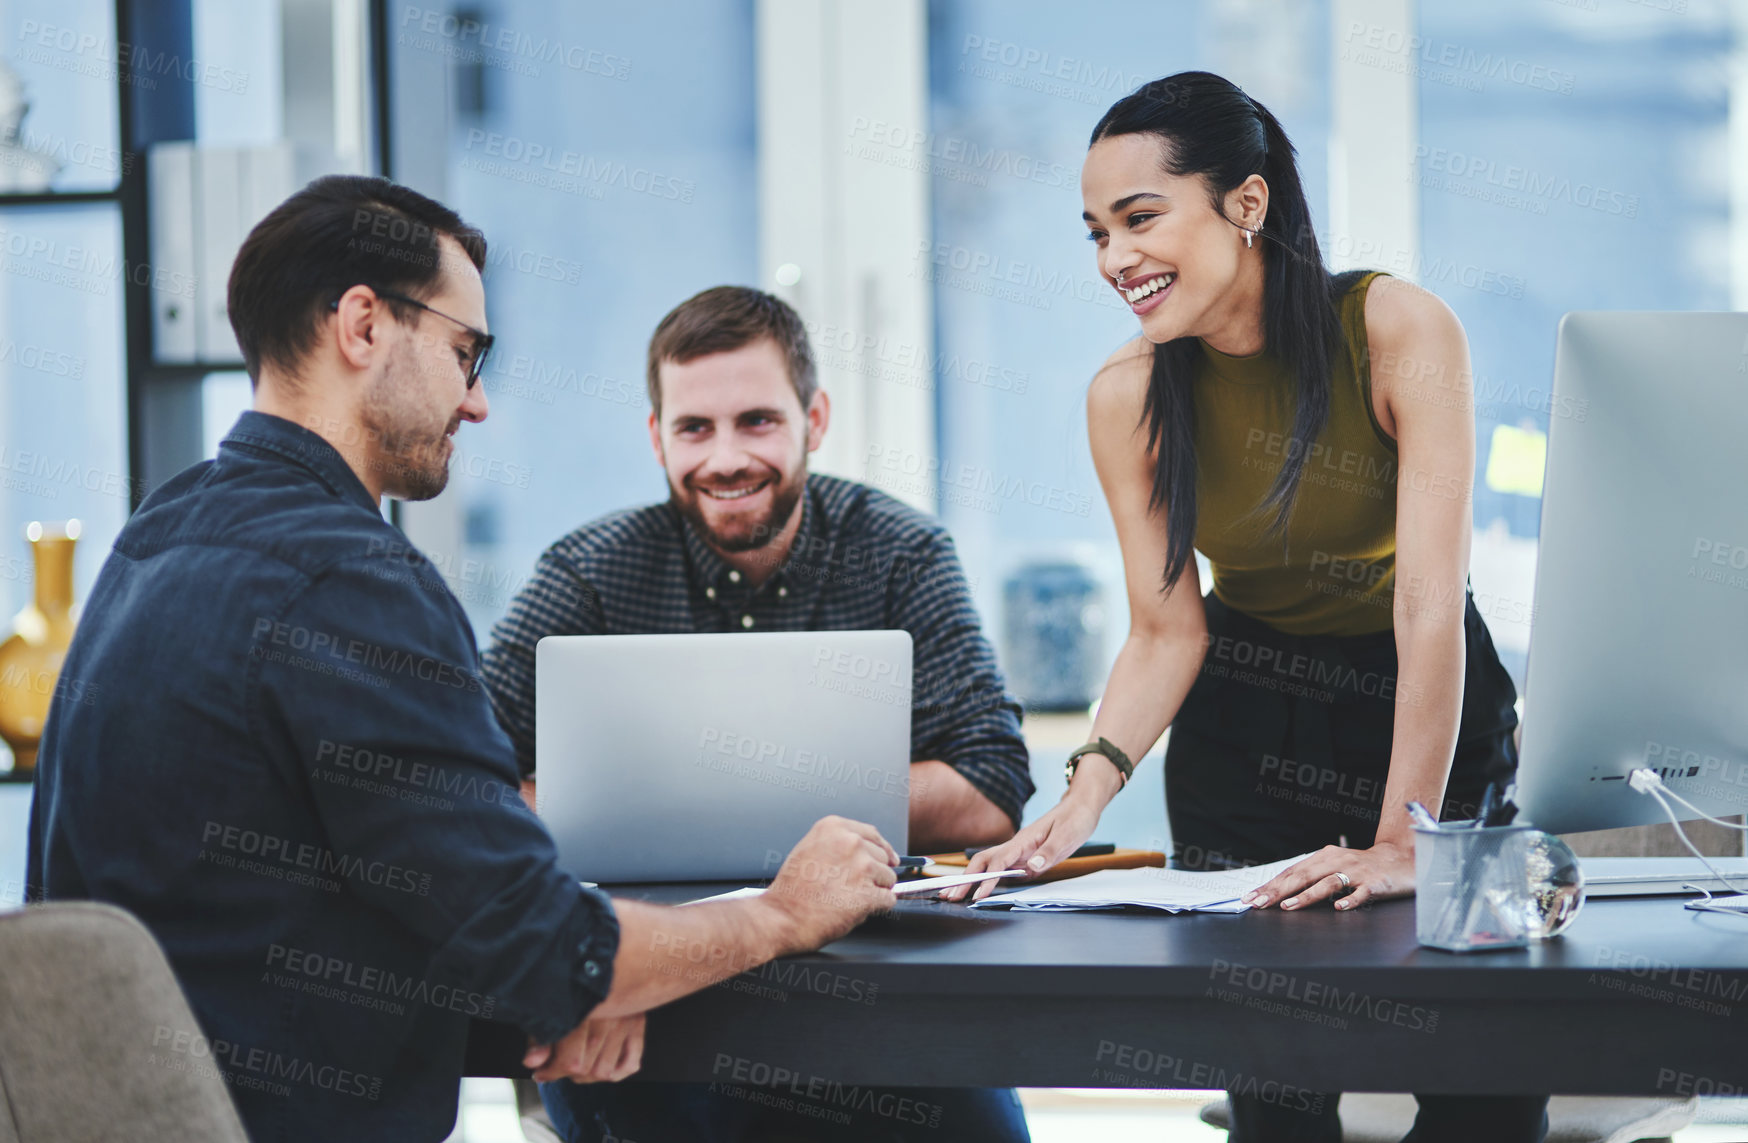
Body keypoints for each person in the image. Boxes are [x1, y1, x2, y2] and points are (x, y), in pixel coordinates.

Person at [26, 175, 898, 1143]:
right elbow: (540, 946)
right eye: (464, 352)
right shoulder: (354, 582)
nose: (476, 404)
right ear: (362, 325)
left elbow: (412, 896)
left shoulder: (153, 538)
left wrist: (569, 977)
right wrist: (780, 914)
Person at [950, 73, 1549, 1142]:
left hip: (1420, 698)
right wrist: (1075, 811)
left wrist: (1404, 836)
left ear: (1246, 203)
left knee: (1482, 1082)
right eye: (1094, 233)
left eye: (1138, 219)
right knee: (1273, 1085)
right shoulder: (1126, 394)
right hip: (1243, 708)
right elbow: (1166, 629)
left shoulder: (1399, 326)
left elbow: (1426, 605)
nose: (1112, 259)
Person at [482, 284, 1034, 1142]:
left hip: (874, 976)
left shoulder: (902, 551)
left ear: (814, 418)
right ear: (656, 436)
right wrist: (620, 968)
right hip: (654, 978)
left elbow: (992, 784)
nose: (726, 457)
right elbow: (461, 780)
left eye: (758, 421)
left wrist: (734, 802)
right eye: (694, 428)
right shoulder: (587, 570)